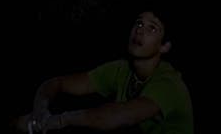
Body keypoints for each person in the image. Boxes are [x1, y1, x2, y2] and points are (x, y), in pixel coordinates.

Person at [16, 9, 193, 132]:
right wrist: (39, 111)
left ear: (165, 46)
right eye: (139, 23)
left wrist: (60, 121)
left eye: (152, 28)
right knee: (21, 122)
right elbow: (56, 83)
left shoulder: (169, 84)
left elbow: (117, 117)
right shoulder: (121, 69)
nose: (140, 31)